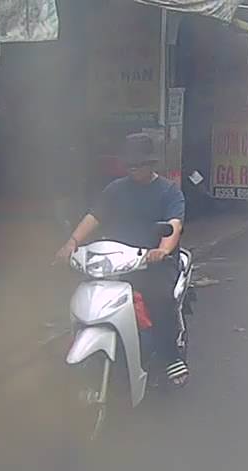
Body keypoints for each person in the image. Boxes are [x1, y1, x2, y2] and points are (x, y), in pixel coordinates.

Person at [56, 133, 189, 387]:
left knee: (159, 297)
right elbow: (94, 217)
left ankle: (170, 355)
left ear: (150, 164)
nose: (132, 169)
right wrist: (71, 242)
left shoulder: (169, 191)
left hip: (153, 262)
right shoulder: (115, 190)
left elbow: (174, 225)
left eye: (137, 164)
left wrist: (161, 250)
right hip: (117, 261)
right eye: (129, 164)